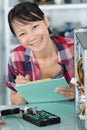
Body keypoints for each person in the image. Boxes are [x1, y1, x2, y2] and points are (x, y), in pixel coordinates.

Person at [6, 1, 75, 105]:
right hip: (38, 119)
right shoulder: (16, 57)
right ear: (17, 37)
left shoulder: (75, 49)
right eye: (22, 33)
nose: (32, 37)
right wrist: (23, 90)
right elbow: (15, 102)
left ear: (45, 21)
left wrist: (79, 94)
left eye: (35, 27)